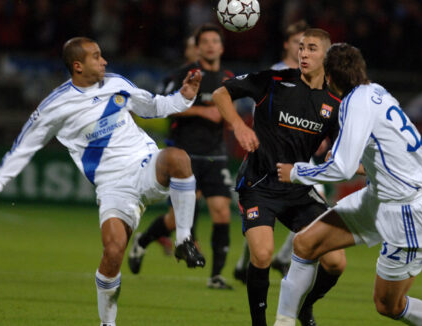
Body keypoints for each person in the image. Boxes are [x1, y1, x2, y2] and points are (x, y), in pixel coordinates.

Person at [0, 37, 205, 326]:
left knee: (178, 159)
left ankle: (184, 239)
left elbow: (153, 106)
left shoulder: (116, 82)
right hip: (112, 186)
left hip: (144, 165)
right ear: (78, 66)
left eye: (102, 55)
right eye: (96, 56)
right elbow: (24, 146)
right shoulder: (54, 106)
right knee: (113, 250)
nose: (104, 61)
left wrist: (184, 97)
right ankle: (108, 323)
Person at [273, 43, 422, 326]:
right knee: (305, 244)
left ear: (330, 78)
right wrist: (363, 167)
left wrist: (296, 172)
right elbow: (394, 152)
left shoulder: (354, 103)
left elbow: (342, 169)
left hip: (405, 214)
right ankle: (283, 323)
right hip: (378, 198)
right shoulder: (376, 91)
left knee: (388, 305)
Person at [212, 28, 346, 326]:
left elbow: (338, 153)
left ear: (327, 55)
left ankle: (305, 307)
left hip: (298, 188)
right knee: (262, 255)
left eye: (311, 48)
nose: (304, 53)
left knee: (336, 262)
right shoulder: (274, 81)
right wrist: (238, 125)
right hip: (259, 184)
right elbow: (222, 92)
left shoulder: (333, 104)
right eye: (301, 47)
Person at [128, 23, 235, 289]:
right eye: (205, 41)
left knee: (222, 211)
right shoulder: (182, 75)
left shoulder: (229, 78)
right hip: (185, 156)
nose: (210, 45)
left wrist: (231, 120)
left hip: (216, 154)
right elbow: (161, 106)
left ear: (221, 47)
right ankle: (142, 241)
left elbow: (230, 112)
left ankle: (216, 277)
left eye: (215, 41)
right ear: (198, 47)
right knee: (176, 220)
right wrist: (201, 111)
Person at [233, 19, 311, 284]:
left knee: (313, 203)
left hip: (299, 155)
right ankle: (252, 260)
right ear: (286, 45)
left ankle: (279, 257)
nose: (302, 49)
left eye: (307, 44)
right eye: (297, 43)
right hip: (270, 154)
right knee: (263, 216)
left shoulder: (312, 75)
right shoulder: (275, 73)